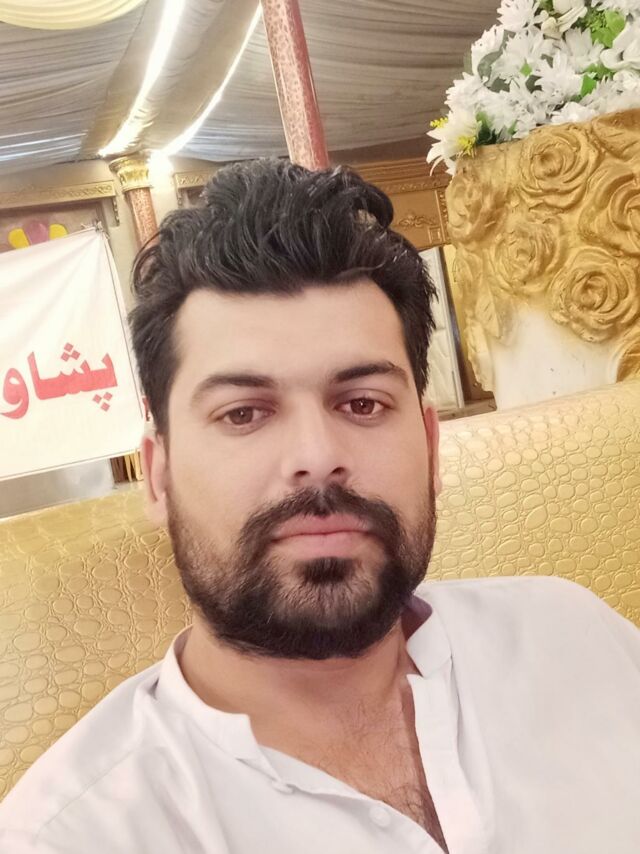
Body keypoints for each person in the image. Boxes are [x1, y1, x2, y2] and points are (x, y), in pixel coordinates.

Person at [1, 159, 639, 854]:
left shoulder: (576, 641)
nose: (317, 455)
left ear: (430, 445)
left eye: (363, 403)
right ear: (158, 477)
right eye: (244, 413)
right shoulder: (72, 835)